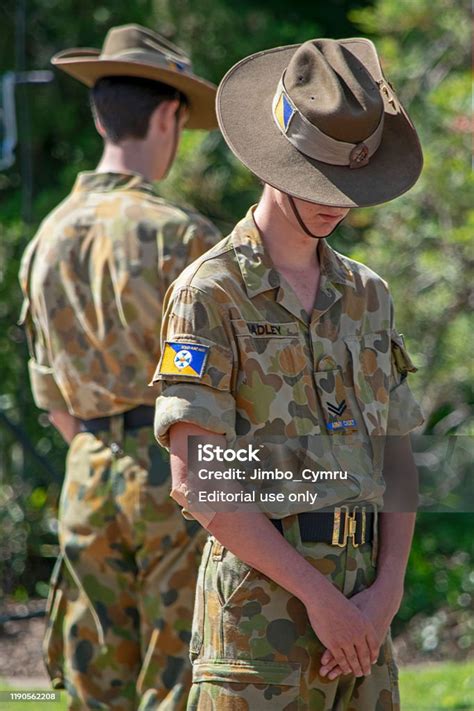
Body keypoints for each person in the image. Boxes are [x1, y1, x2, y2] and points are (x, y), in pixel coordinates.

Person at [152, 37, 425, 709]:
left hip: (365, 621)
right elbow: (195, 478)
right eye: (317, 182)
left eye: (351, 186)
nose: (338, 203)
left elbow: (396, 454)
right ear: (275, 158)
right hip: (258, 635)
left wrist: (385, 592)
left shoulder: (369, 294)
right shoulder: (209, 292)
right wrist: (322, 599)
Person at [19, 24, 221, 711]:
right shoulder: (182, 233)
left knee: (92, 685)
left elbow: (50, 395)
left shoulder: (45, 238)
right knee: (180, 678)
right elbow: (219, 380)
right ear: (167, 116)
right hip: (178, 468)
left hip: (87, 469)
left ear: (100, 115)